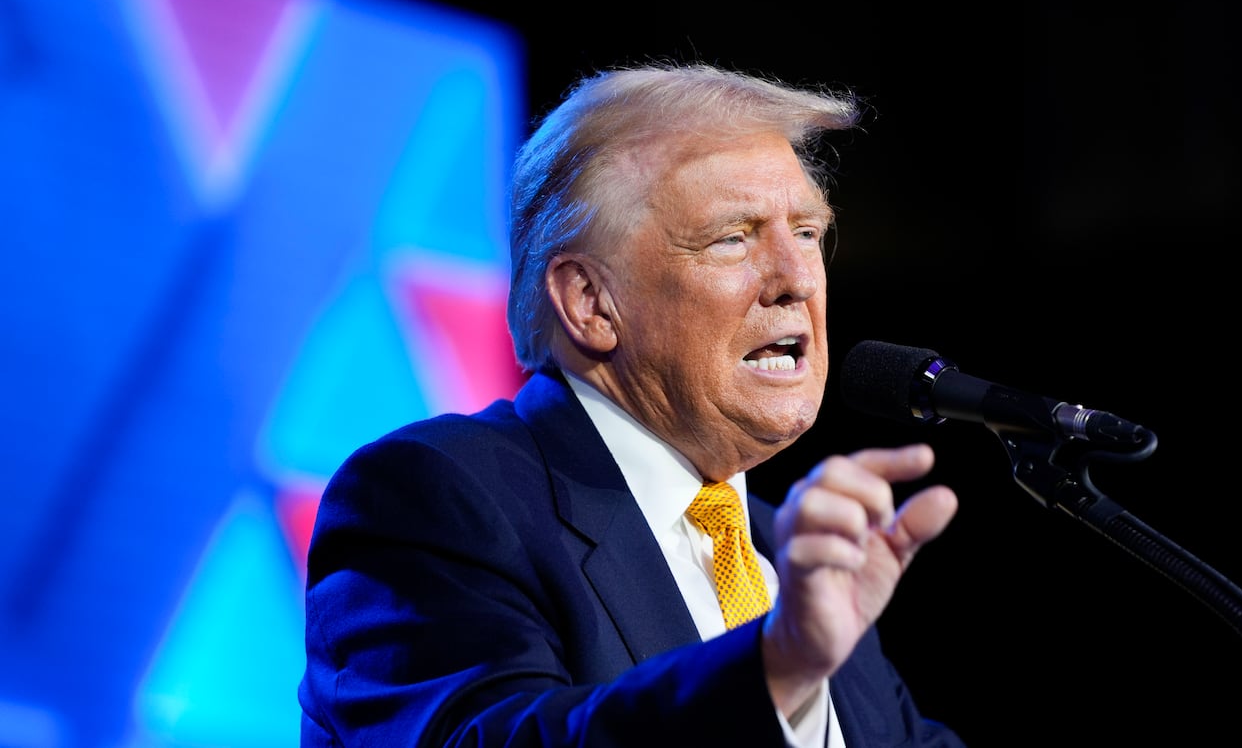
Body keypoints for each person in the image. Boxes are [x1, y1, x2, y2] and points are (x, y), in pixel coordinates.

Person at [298, 60, 965, 747]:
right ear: (590, 303)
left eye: (805, 231)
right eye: (733, 237)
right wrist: (775, 670)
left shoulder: (798, 559)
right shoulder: (437, 496)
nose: (797, 277)